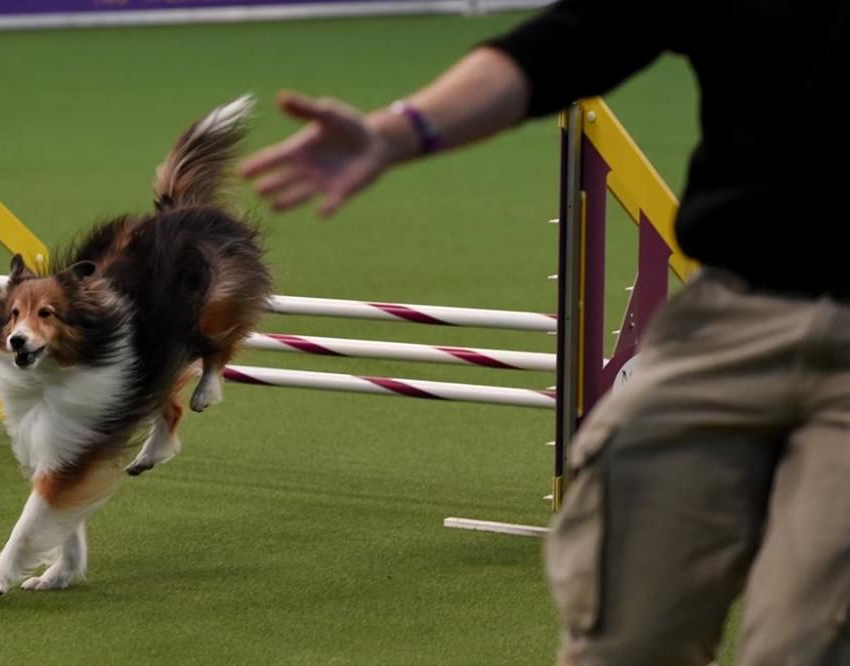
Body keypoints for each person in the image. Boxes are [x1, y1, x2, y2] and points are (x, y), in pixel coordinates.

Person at [239, 1, 850, 664]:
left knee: (806, 639)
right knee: (624, 630)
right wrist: (395, 132)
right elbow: (569, 41)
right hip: (729, 316)